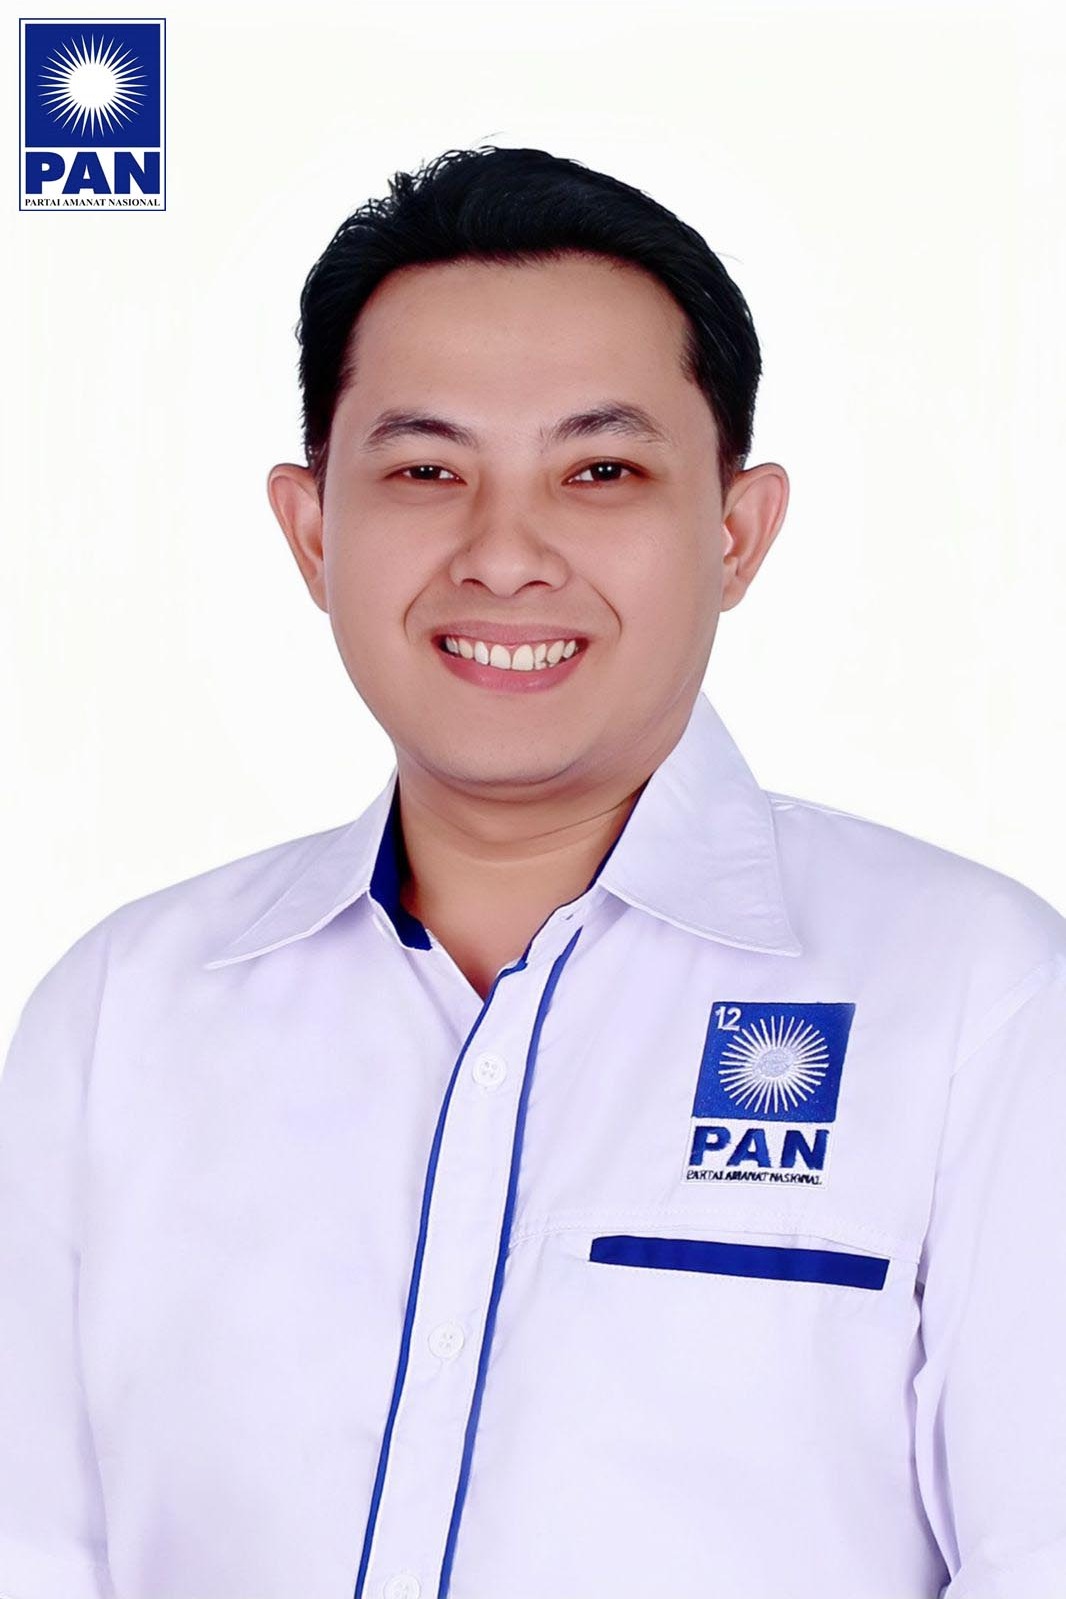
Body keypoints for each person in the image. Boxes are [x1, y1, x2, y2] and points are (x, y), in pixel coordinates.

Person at [1, 144, 1063, 1599]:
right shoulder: (123, 1015)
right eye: (426, 471)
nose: (504, 557)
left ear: (736, 532)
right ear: (312, 531)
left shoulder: (974, 1000)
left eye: (600, 471)